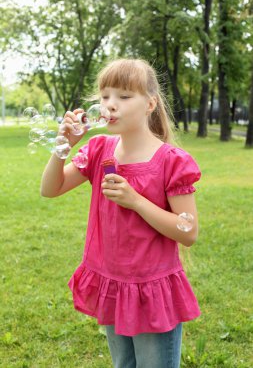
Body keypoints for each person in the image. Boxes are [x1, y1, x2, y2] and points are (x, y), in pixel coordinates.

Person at [41, 58, 201, 368]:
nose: (110, 105)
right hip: (113, 285)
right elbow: (51, 188)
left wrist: (137, 201)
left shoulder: (172, 161)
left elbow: (189, 232)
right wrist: (63, 147)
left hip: (151, 289)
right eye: (105, 96)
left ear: (150, 104)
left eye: (124, 97)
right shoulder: (99, 149)